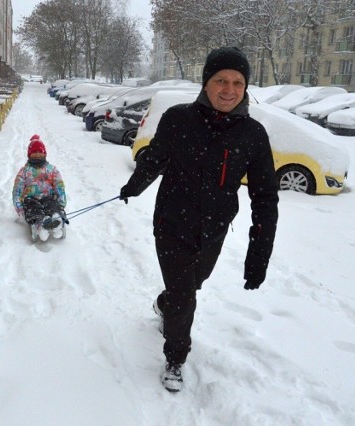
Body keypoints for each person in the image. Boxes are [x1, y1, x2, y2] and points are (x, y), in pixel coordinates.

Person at [119, 47, 279, 392]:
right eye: (221, 80)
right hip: (171, 224)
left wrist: (258, 254)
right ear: (206, 83)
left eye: (237, 82)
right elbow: (155, 159)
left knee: (192, 285)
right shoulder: (178, 118)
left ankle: (165, 305)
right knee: (184, 296)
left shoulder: (252, 134)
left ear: (245, 87)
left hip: (213, 231)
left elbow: (265, 198)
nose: (229, 89)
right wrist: (133, 186)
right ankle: (176, 358)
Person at [12, 135, 67, 241]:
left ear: (44, 153)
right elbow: (17, 190)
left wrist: (61, 202)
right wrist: (19, 209)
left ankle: (56, 220)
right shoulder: (24, 171)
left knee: (52, 205)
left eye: (40, 151)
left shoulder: (52, 169)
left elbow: (59, 186)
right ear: (29, 154)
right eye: (34, 152)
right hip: (30, 199)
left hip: (48, 197)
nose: (37, 154)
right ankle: (41, 224)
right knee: (33, 209)